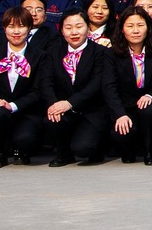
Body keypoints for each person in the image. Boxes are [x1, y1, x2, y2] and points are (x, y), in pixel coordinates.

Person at [39, 9, 117, 167]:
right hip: (64, 109)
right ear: (62, 30)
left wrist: (70, 103)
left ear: (88, 28)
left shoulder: (101, 52)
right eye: (68, 28)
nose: (74, 32)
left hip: (91, 110)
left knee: (83, 148)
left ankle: (98, 148)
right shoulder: (53, 52)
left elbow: (97, 84)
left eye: (79, 26)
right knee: (51, 119)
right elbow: (46, 81)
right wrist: (54, 104)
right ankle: (63, 154)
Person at [0, 7, 44, 167]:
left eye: (21, 26)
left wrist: (12, 105)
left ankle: (20, 149)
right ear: (4, 28)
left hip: (26, 112)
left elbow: (38, 91)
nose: (16, 31)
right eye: (11, 26)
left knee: (25, 139)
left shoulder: (40, 56)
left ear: (29, 28)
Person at [108, 8, 152, 164]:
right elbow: (109, 88)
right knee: (121, 131)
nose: (136, 31)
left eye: (140, 25)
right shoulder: (111, 54)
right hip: (125, 107)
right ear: (122, 29)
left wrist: (150, 95)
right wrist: (120, 114)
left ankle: (150, 152)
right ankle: (128, 151)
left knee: (149, 110)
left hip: (150, 104)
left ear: (148, 27)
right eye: (130, 26)